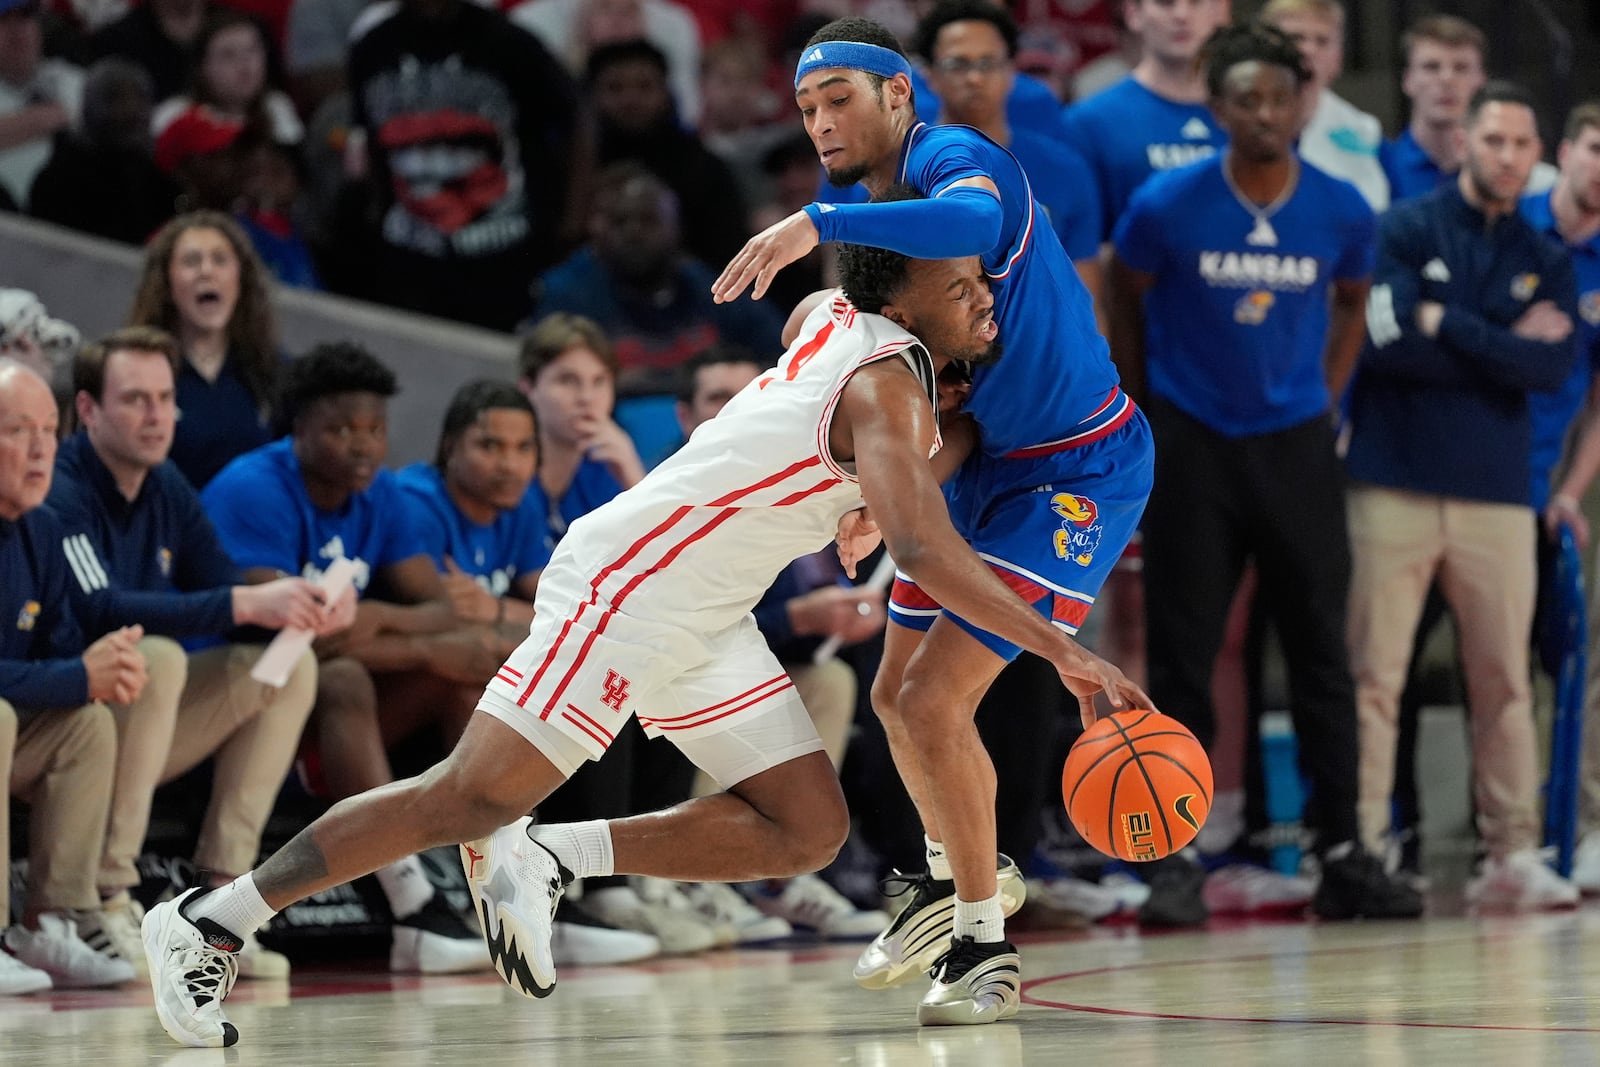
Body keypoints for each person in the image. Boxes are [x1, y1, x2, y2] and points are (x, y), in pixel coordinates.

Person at [142, 227, 1150, 1048]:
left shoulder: (841, 320)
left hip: (702, 608)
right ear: (904, 297)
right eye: (962, 279)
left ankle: (547, 853)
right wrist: (1066, 649)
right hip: (629, 584)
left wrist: (871, 491)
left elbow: (851, 363)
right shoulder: (885, 381)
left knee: (806, 826)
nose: (983, 291)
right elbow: (926, 547)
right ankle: (209, 916)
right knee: (465, 793)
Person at [711, 17, 1153, 1024]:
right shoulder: (873, 216)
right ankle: (952, 879)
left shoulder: (954, 161)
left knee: (939, 696)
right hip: (990, 464)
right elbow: (957, 402)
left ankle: (983, 943)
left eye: (839, 101)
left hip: (1080, 468)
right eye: (806, 110)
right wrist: (892, 486)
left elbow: (966, 224)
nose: (821, 124)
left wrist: (812, 224)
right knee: (898, 699)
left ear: (898, 95)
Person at [1108, 21, 1420, 926]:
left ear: (1302, 103)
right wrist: (1145, 400)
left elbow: (1353, 304)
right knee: (1185, 658)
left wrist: (1321, 400)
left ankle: (1344, 853)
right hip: (1193, 445)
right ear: (1218, 106)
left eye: (1280, 97)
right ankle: (1174, 858)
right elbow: (1124, 295)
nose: (1265, 112)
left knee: (1322, 655)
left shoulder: (1340, 208)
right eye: (1246, 97)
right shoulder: (1166, 203)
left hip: (1295, 448)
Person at [201, 342, 509, 973]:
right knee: (342, 674)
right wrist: (409, 640)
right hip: (241, 700)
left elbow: (443, 608)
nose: (364, 445)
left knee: (466, 675)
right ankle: (411, 899)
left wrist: (381, 617)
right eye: (342, 429)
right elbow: (296, 635)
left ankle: (503, 876)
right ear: (300, 429)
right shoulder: (253, 488)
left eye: (375, 429)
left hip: (332, 694)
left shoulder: (380, 493)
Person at [1347, 81, 1581, 910]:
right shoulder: (1405, 226)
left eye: (1523, 145)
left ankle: (1510, 851)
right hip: (1394, 484)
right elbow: (1382, 344)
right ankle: (1364, 843)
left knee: (1504, 679)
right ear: (1466, 145)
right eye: (1495, 142)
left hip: (1497, 494)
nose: (1509, 158)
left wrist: (1446, 322)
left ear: (1537, 156)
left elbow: (1550, 366)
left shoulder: (1546, 254)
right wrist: (1493, 340)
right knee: (1374, 677)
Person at [45, 327, 328, 979]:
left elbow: (222, 583)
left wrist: (297, 601)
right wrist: (246, 604)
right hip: (68, 723)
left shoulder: (165, 483)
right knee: (161, 658)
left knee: (290, 667)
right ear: (88, 410)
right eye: (135, 399)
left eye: (165, 398)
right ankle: (107, 897)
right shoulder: (64, 485)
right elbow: (102, 607)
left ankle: (222, 904)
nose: (155, 416)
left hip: (138, 727)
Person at [397, 378, 661, 967]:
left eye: (522, 450)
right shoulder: (415, 501)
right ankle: (509, 887)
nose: (508, 465)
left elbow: (562, 610)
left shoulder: (513, 511)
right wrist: (498, 624)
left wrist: (494, 614)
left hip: (464, 686)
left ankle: (574, 886)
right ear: (449, 448)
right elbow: (438, 620)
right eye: (490, 446)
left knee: (595, 676)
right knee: (491, 681)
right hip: (396, 694)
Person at [670, 345, 890, 941]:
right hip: (664, 668)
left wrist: (835, 617)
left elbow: (773, 623)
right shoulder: (676, 488)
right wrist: (799, 615)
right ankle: (689, 881)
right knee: (712, 678)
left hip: (737, 660)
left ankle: (777, 874)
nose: (734, 410)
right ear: (685, 417)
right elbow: (684, 621)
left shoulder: (774, 483)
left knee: (832, 680)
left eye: (747, 396)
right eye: (717, 398)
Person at [0, 359, 137, 994]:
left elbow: (55, 651)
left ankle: (52, 920)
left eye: (48, 431)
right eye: (16, 430)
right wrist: (80, 674)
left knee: (85, 723)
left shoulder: (42, 527)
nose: (38, 449)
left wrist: (100, 670)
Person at [1519, 103, 1600, 894]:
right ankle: (1501, 835)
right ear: (1566, 152)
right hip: (1486, 473)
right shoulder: (1513, 227)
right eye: (1597, 148)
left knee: (1579, 653)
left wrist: (1571, 493)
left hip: (1563, 477)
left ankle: (1578, 827)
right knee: (1497, 659)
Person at [528, 164, 783, 396]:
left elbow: (780, 350)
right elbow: (555, 383)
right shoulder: (567, 292)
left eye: (648, 220)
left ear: (675, 226)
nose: (633, 233)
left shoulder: (708, 284)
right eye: (620, 221)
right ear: (596, 228)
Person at [913, 1, 1101, 301]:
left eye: (988, 63)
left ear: (1011, 70)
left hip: (1037, 345)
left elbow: (1085, 300)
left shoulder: (1065, 171)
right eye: (957, 64)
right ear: (929, 76)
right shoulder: (893, 167)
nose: (975, 77)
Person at [126, 211, 281, 489]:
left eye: (220, 260)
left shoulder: (271, 371)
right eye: (191, 261)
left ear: (241, 280)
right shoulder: (134, 373)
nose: (206, 271)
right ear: (166, 285)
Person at [1059, 0, 1229, 244]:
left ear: (1220, 10)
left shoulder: (1256, 117)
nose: (1181, 15)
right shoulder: (1087, 123)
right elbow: (1081, 251)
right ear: (1133, 13)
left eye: (1196, 2)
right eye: (1165, 3)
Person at [27, 57, 181, 245]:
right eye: (117, 98)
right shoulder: (59, 180)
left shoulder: (160, 182)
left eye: (139, 97)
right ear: (92, 106)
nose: (132, 109)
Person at [1259, 0, 1386, 211]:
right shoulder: (1233, 124)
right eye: (1296, 38)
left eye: (1322, 41)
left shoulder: (1365, 132)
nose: (1308, 50)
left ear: (1338, 58)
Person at [0, 0, 84, 207]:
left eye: (25, 17)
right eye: (3, 21)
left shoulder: (73, 80)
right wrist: (47, 118)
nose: (16, 31)